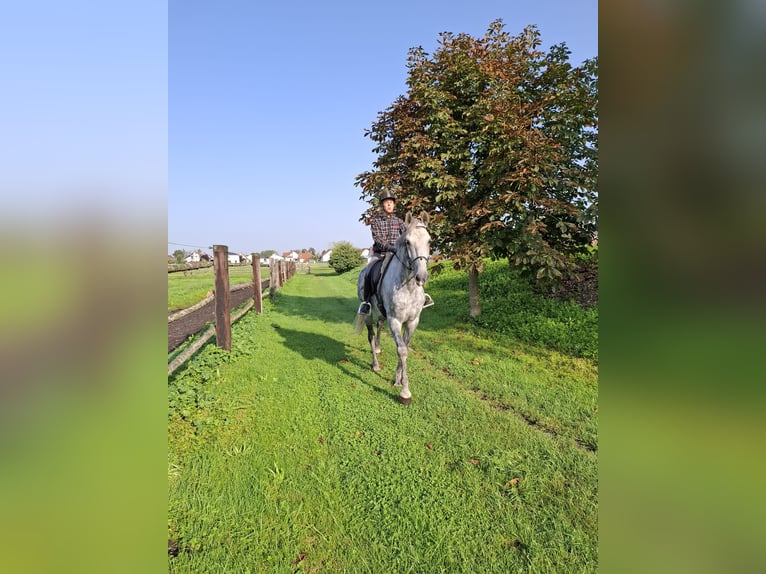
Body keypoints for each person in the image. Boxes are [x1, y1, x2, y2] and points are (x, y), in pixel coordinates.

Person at [358, 188, 404, 314]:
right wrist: (390, 247)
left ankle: (420, 298)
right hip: (380, 254)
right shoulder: (376, 222)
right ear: (382, 205)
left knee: (413, 268)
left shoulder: (399, 222)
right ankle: (366, 302)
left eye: (391, 202)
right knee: (368, 272)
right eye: (386, 202)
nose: (389, 204)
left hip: (397, 255)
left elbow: (406, 235)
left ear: (394, 204)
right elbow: (377, 239)